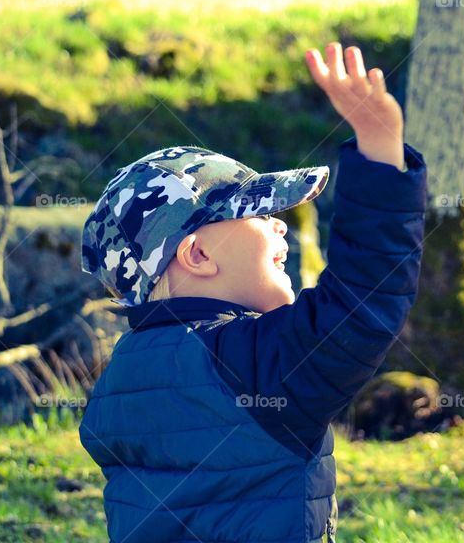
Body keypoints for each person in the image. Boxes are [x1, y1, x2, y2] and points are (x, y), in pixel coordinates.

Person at [77, 42, 426, 542]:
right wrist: (379, 150)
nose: (281, 227)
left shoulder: (120, 382)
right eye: (258, 213)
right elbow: (365, 297)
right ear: (197, 255)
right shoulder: (254, 364)